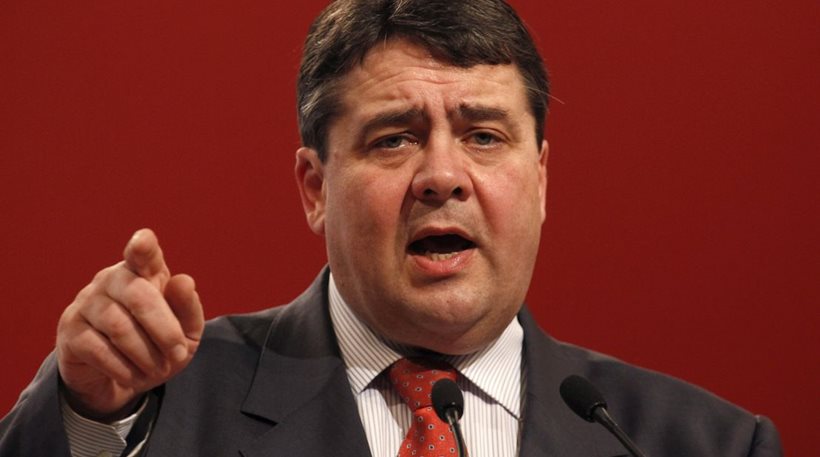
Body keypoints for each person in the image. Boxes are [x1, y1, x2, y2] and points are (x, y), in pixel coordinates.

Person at [0, 1, 783, 456]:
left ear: (541, 179)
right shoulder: (161, 407)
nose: (443, 175)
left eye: (483, 135)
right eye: (395, 138)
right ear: (315, 188)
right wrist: (87, 412)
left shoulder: (699, 443)